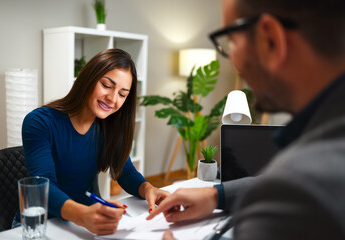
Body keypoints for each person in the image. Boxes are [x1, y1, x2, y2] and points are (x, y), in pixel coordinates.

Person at [147, 0, 345, 239]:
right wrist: (215, 195)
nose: (233, 60)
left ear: (270, 39)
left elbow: (288, 187)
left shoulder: (302, 189)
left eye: (231, 40)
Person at [21, 49, 169, 235]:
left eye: (122, 94)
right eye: (107, 85)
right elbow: (44, 187)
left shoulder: (111, 125)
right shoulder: (40, 121)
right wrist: (82, 215)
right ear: (88, 79)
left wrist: (149, 188)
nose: (113, 99)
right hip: (41, 225)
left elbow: (125, 172)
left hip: (87, 223)